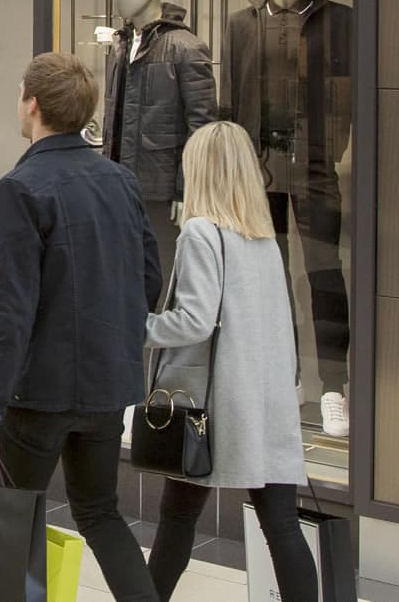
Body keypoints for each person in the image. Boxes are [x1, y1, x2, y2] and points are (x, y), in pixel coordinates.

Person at [0, 52, 163, 602]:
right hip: (107, 387)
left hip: (39, 395)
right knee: (101, 513)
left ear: (32, 104)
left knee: (14, 519)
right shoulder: (120, 180)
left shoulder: (19, 188)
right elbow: (149, 279)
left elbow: (11, 310)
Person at [145, 123, 317, 602]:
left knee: (176, 523)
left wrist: (139, 329)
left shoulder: (199, 234)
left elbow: (194, 322)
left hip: (215, 410)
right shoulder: (262, 237)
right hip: (267, 403)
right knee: (283, 528)